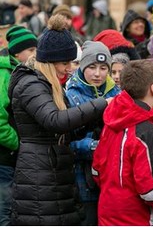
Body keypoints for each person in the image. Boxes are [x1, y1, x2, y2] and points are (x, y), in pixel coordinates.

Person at [9, 15, 111, 225]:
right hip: (39, 175)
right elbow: (56, 121)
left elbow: (64, 132)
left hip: (52, 172)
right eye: (64, 63)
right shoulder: (31, 84)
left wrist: (91, 122)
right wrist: (102, 104)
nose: (69, 68)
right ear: (48, 61)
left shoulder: (48, 84)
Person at [92, 60, 153, 226]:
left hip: (108, 215)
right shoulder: (147, 132)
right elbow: (150, 190)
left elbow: (96, 171)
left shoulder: (111, 121)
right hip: (135, 219)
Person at [66, 41, 121, 225]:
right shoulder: (71, 94)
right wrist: (95, 145)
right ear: (82, 67)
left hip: (112, 180)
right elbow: (67, 141)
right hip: (84, 180)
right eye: (92, 67)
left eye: (103, 67)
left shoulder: (116, 91)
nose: (98, 74)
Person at [0, 25, 37, 225]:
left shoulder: (22, 71)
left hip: (15, 156)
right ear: (16, 52)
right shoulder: (4, 74)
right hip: (5, 156)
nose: (35, 54)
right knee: (4, 211)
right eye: (31, 50)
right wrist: (18, 144)